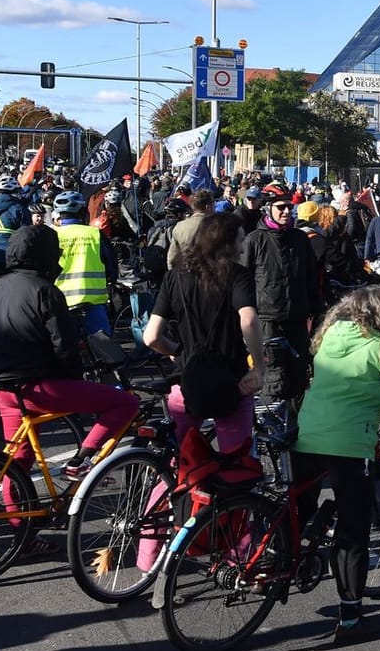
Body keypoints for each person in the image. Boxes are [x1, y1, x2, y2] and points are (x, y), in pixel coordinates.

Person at [291, 286, 380, 644]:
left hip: (308, 433)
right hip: (351, 444)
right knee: (353, 532)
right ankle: (351, 619)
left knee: (297, 508)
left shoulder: (328, 337)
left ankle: (281, 563)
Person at [0, 225, 142, 550]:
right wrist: (75, 376)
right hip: (41, 386)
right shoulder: (46, 290)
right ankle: (81, 460)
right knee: (124, 403)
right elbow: (64, 343)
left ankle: (23, 536)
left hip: (5, 387)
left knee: (16, 462)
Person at [143, 212, 265, 456]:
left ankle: (167, 480)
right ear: (225, 243)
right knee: (236, 461)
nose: (242, 249)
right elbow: (249, 320)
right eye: (240, 241)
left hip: (186, 381)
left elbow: (151, 337)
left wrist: (177, 352)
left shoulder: (174, 278)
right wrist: (259, 368)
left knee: (180, 459)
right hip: (232, 383)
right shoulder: (237, 276)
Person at [241, 181, 325, 401]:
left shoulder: (300, 239)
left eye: (289, 207)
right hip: (267, 321)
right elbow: (241, 283)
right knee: (273, 380)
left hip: (297, 319)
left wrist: (318, 311)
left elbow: (310, 278)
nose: (287, 211)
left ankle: (296, 421)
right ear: (268, 208)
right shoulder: (254, 240)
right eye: (281, 207)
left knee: (299, 379)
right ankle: (273, 421)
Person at [52, 190, 116, 338]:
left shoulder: (51, 235)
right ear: (82, 211)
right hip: (92, 303)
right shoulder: (94, 234)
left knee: (64, 347)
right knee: (104, 347)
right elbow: (111, 266)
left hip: (60, 303)